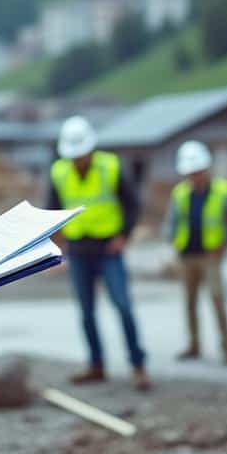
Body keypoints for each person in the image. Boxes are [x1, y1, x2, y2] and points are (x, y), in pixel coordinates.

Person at [45, 115, 151, 391]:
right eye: (73, 155)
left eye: (81, 154)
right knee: (86, 311)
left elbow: (133, 204)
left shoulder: (110, 166)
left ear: (91, 149)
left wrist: (123, 236)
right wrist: (57, 248)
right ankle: (96, 365)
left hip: (108, 249)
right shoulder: (59, 171)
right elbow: (53, 211)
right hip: (79, 250)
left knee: (123, 307)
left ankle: (138, 365)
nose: (78, 159)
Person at [162, 140, 227, 365]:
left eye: (197, 172)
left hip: (211, 256)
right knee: (189, 302)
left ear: (206, 170)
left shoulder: (223, 191)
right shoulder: (180, 194)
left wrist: (224, 243)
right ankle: (193, 345)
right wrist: (173, 241)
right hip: (186, 256)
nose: (194, 177)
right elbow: (171, 222)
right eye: (190, 173)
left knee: (217, 299)